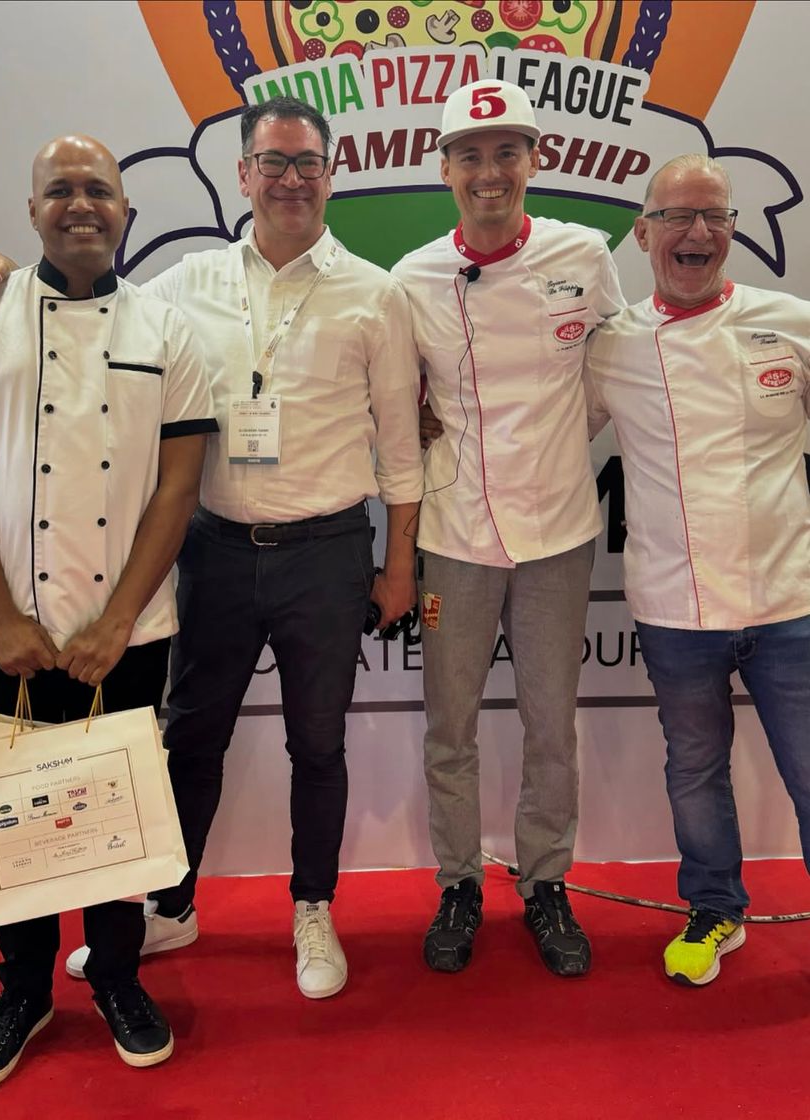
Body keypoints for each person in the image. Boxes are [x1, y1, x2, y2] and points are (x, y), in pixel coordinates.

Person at [0, 98, 425, 1000]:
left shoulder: (375, 294)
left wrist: (400, 563)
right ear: (243, 174)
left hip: (327, 551)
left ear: (330, 176)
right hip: (211, 547)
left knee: (319, 745)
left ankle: (313, 905)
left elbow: (402, 452)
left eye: (307, 163)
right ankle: (170, 903)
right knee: (189, 740)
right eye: (273, 162)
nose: (290, 179)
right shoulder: (184, 285)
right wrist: (1, 276)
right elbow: (83, 313)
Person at [0, 135, 216, 1088]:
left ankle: (116, 976)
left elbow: (177, 488)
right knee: (15, 815)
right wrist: (1, 615)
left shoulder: (169, 329)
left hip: (129, 627)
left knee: (116, 813)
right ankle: (23, 990)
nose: (81, 205)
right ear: (30, 210)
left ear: (127, 211)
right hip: (1, 625)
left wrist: (117, 621)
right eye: (60, 190)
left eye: (99, 190)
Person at [392, 80, 625, 976]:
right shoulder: (412, 277)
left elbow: (613, 372)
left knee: (550, 724)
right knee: (448, 725)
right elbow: (393, 393)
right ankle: (458, 881)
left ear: (535, 159)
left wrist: (562, 441)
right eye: (471, 156)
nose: (489, 172)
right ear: (445, 168)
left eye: (506, 153)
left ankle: (546, 882)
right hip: (454, 536)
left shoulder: (585, 254)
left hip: (559, 529)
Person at [584, 153, 810, 986]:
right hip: (675, 606)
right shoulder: (611, 346)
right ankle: (715, 908)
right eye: (677, 215)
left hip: (791, 600)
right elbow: (537, 428)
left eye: (715, 216)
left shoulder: (792, 322)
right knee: (694, 770)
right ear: (643, 234)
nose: (698, 231)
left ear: (733, 231)